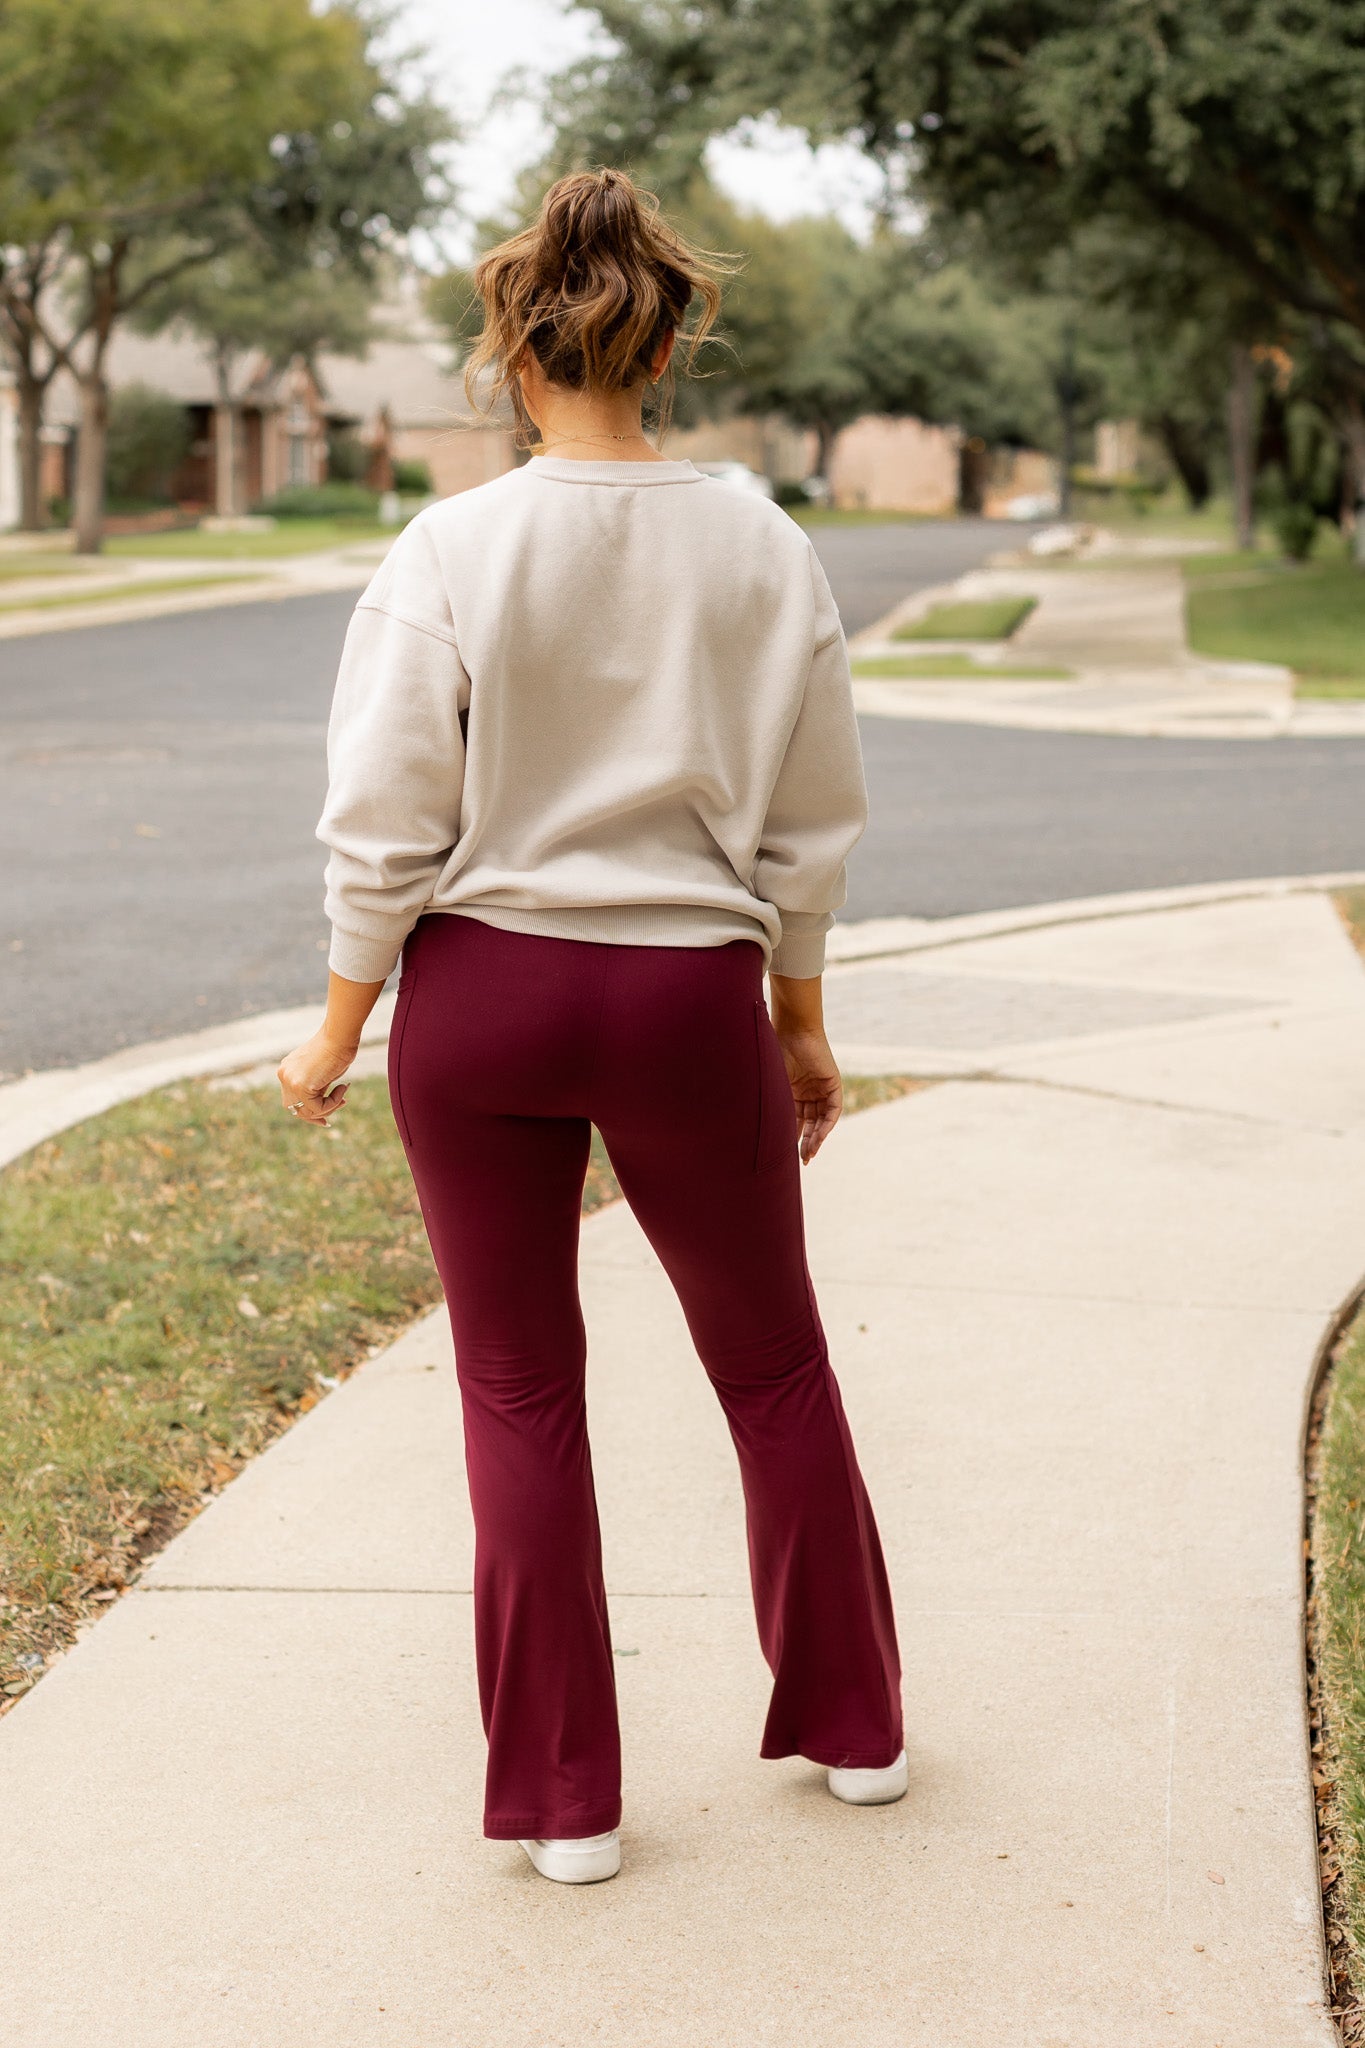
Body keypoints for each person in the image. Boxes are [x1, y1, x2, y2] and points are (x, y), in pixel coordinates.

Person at [277, 167, 905, 1886]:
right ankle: (853, 1727)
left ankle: (565, 1807)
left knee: (514, 1384)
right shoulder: (763, 543)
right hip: (687, 991)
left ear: (509, 343)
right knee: (771, 1362)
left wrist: (339, 1025)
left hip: (484, 995)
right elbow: (807, 818)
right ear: (667, 339)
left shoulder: (451, 548)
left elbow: (385, 821)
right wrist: (799, 1018)